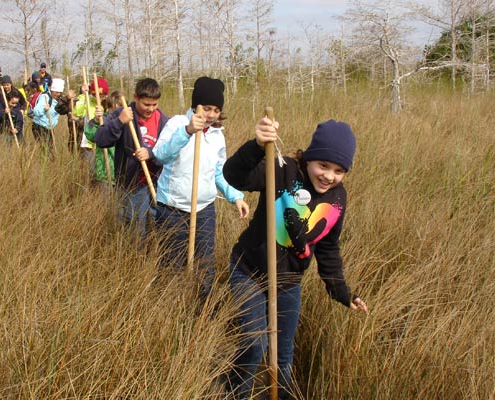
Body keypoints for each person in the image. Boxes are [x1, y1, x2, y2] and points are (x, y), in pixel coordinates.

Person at [222, 118, 369, 399]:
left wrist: (342, 291)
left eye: (339, 170)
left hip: (289, 281)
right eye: (323, 166)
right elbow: (235, 176)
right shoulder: (282, 169)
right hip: (249, 270)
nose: (329, 176)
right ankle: (233, 391)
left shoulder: (337, 198)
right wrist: (256, 146)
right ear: (309, 158)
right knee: (255, 344)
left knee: (283, 357)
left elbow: (328, 248)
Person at [151, 76, 249, 303]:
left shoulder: (216, 135)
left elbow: (219, 172)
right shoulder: (176, 124)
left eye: (216, 110)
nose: (211, 115)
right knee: (171, 266)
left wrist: (235, 196)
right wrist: (187, 131)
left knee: (205, 266)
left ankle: (202, 312)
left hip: (204, 210)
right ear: (195, 106)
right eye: (206, 108)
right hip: (172, 209)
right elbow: (160, 155)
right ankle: (170, 312)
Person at [88, 78, 168, 233]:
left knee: (157, 228)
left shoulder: (163, 121)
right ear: (135, 97)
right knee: (134, 229)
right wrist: (119, 122)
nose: (150, 109)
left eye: (154, 105)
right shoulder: (122, 114)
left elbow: (169, 152)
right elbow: (101, 139)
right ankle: (134, 257)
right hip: (130, 184)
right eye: (146, 104)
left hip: (157, 184)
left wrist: (150, 154)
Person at [79, 80, 116, 184]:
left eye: (101, 95)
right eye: (95, 94)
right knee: (93, 171)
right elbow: (77, 113)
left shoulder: (109, 105)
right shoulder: (87, 100)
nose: (98, 97)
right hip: (90, 142)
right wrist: (83, 95)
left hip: (104, 144)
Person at [31, 77, 65, 146]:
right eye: (56, 92)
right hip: (40, 127)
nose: (58, 94)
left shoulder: (58, 99)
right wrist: (44, 109)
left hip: (48, 128)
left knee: (49, 149)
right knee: (46, 149)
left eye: (60, 92)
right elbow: (36, 111)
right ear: (52, 90)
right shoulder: (45, 97)